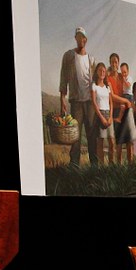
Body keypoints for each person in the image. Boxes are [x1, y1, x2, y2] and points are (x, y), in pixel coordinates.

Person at [59, 27, 98, 167]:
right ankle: (74, 166)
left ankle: (95, 166)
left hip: (90, 102)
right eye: (78, 36)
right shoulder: (69, 56)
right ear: (75, 38)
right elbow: (63, 78)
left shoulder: (91, 59)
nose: (80, 39)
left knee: (92, 135)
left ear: (85, 40)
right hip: (76, 102)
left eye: (83, 37)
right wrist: (62, 99)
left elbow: (97, 81)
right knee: (75, 136)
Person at [91, 62, 115, 164]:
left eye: (104, 71)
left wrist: (110, 117)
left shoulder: (107, 87)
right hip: (99, 115)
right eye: (100, 70)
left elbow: (111, 103)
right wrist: (101, 118)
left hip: (108, 114)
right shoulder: (94, 86)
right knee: (100, 143)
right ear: (96, 72)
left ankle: (112, 165)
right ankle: (101, 167)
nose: (102, 72)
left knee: (112, 142)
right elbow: (94, 102)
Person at [113, 61, 136, 164]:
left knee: (129, 138)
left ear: (128, 71)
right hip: (123, 97)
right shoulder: (120, 78)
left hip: (129, 97)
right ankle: (119, 163)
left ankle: (130, 163)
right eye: (122, 72)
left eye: (125, 72)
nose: (124, 74)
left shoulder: (129, 78)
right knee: (122, 107)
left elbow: (127, 85)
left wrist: (123, 79)